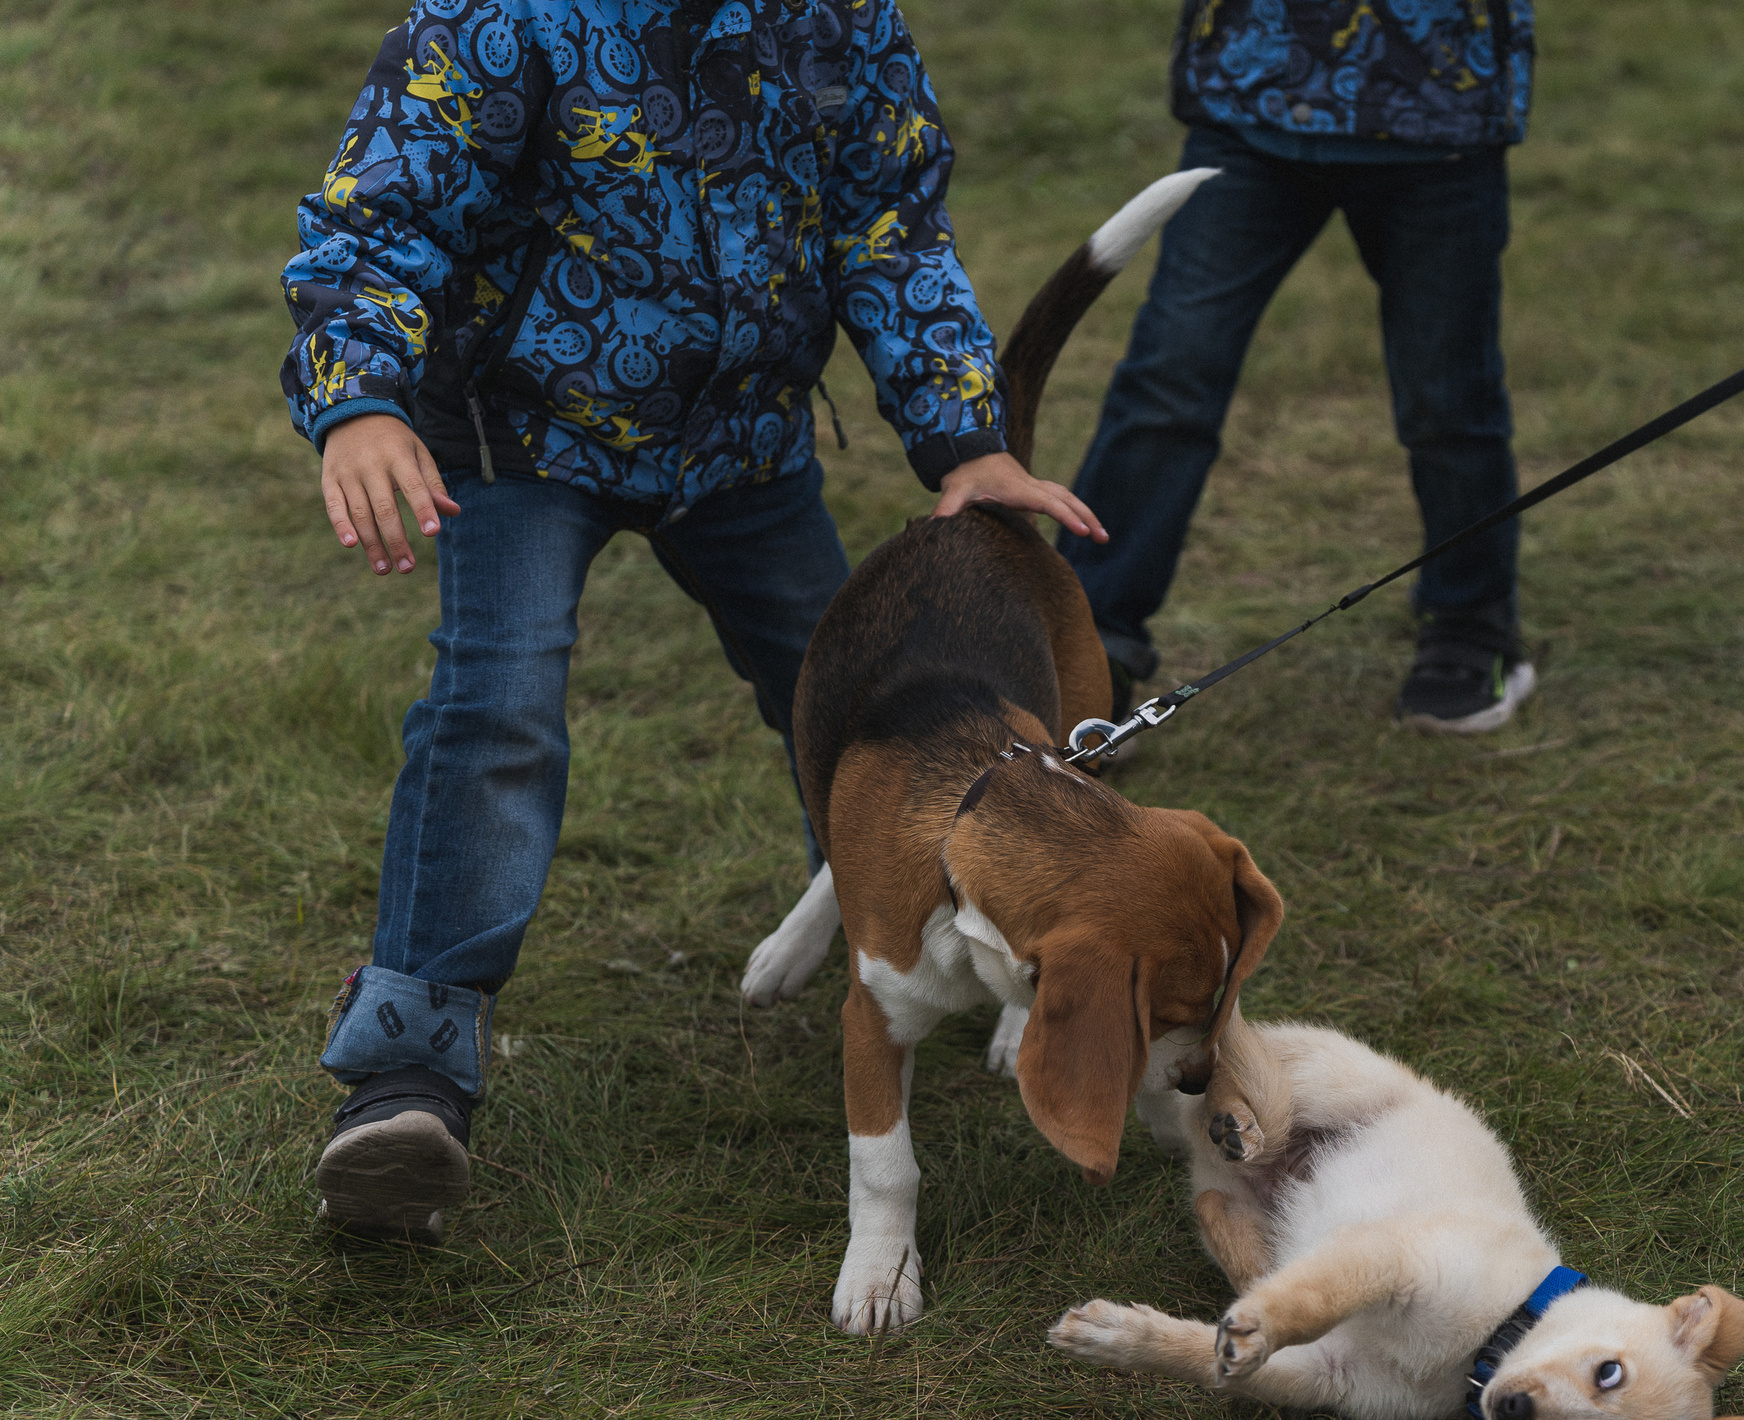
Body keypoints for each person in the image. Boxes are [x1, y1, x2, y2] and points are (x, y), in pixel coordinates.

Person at [281, 0, 1098, 1242]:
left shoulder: (842, 19)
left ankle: (933, 947)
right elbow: (378, 213)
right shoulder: (506, 17)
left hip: (741, 446)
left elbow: (888, 227)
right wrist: (362, 400)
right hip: (519, 434)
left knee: (867, 701)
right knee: (496, 707)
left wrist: (968, 436)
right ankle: (410, 1080)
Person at [1058, 0, 1537, 736]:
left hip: (1442, 116)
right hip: (1250, 103)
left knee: (1448, 399)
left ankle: (1472, 626)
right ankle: (1093, 641)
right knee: (1168, 381)